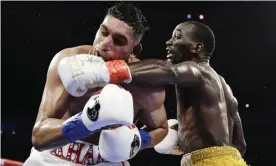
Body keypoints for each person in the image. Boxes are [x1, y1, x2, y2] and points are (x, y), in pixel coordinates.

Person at [73, 21, 247, 166]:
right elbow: (240, 145)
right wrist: (187, 142)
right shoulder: (224, 86)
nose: (169, 42)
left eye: (177, 36)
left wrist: (104, 70)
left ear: (197, 47)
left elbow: (167, 70)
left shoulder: (196, 70)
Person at [24, 3, 168, 166]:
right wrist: (86, 122)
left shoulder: (144, 87)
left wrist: (136, 141)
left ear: (134, 49)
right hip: (55, 155)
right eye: (103, 32)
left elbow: (161, 128)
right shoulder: (68, 62)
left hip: (107, 160)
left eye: (118, 41)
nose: (104, 44)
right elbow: (39, 136)